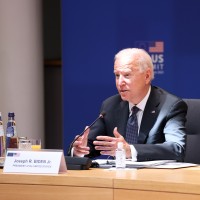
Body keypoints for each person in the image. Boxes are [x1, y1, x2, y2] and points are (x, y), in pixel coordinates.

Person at [71, 48, 188, 162]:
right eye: (117, 75)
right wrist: (80, 151)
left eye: (127, 75)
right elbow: (92, 145)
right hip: (120, 178)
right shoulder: (110, 105)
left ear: (147, 76)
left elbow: (176, 148)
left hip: (156, 178)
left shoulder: (170, 106)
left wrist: (129, 150)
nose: (120, 82)